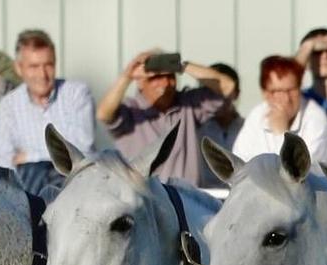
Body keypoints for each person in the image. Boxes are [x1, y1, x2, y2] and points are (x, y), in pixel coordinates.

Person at [97, 49, 234, 183]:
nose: (165, 83)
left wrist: (180, 65)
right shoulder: (132, 110)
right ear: (140, 83)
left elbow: (228, 86)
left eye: (170, 76)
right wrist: (128, 75)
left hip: (187, 201)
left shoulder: (188, 104)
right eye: (156, 77)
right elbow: (103, 114)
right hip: (147, 202)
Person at [0, 30, 94, 168]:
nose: (42, 74)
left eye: (48, 65)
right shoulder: (8, 106)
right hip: (29, 185)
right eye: (34, 66)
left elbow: (82, 149)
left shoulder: (77, 94)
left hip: (74, 180)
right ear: (19, 68)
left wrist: (29, 157)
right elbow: (3, 161)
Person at [232, 55, 327, 163]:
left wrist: (281, 133)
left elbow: (300, 173)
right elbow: (239, 165)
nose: (286, 99)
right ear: (265, 94)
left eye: (291, 90)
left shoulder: (316, 119)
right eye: (278, 91)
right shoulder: (257, 115)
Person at [197, 61, 245, 186]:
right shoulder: (194, 130)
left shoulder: (249, 129)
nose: (217, 99)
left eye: (223, 92)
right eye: (210, 92)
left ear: (237, 93)